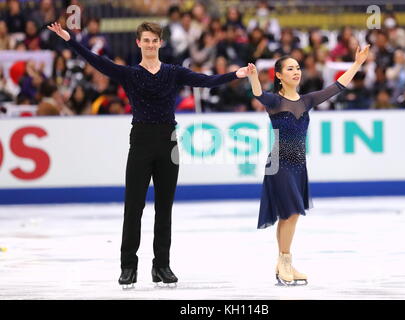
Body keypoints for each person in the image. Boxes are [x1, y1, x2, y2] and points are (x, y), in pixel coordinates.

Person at [48, 21, 249, 288]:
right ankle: (128, 267)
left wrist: (236, 74)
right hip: (141, 141)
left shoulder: (174, 72)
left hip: (169, 142)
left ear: (160, 43)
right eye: (146, 40)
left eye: (155, 40)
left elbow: (207, 81)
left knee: (164, 209)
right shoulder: (130, 74)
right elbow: (96, 61)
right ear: (138, 43)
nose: (151, 44)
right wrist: (69, 40)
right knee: (134, 208)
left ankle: (161, 266)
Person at [246, 45, 370, 285]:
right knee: (290, 211)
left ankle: (285, 262)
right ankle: (284, 262)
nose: (296, 71)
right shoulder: (274, 101)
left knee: (291, 216)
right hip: (279, 162)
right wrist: (253, 77)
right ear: (279, 76)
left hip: (299, 165)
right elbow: (258, 94)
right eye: (290, 68)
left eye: (298, 68)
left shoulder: (307, 100)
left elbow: (337, 87)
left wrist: (357, 64)